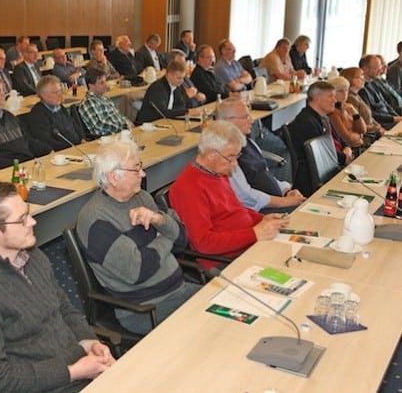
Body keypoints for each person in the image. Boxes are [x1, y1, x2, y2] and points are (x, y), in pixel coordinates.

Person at [0, 181, 115, 392]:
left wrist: (90, 342)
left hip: (81, 368)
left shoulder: (32, 256)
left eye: (28, 213)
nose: (32, 222)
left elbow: (64, 308)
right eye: (21, 219)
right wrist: (72, 371)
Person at [77, 139, 199, 334]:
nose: (143, 174)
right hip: (145, 310)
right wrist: (166, 235)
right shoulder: (95, 219)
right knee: (212, 335)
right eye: (136, 169)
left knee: (233, 315)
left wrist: (159, 220)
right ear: (114, 177)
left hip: (179, 290)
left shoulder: (142, 197)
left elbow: (182, 240)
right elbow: (139, 269)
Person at [169, 121, 289, 269]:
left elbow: (236, 210)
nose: (234, 164)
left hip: (246, 245)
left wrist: (261, 219)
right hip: (224, 261)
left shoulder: (217, 172)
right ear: (211, 154)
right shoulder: (188, 188)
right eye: (230, 157)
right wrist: (254, 233)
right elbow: (203, 243)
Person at [216, 98, 305, 212]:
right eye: (246, 117)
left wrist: (286, 191)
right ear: (228, 121)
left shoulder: (247, 142)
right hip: (257, 211)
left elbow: (265, 173)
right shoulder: (224, 153)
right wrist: (283, 202)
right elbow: (245, 197)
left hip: (272, 201)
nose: (252, 121)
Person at [288, 81, 351, 196]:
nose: (335, 100)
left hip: (332, 167)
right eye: (330, 96)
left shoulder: (324, 118)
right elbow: (323, 154)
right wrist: (345, 156)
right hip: (314, 176)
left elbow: (340, 140)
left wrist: (347, 148)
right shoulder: (305, 123)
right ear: (317, 98)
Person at [23, 75, 84, 151]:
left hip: (78, 147)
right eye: (56, 92)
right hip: (62, 152)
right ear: (44, 95)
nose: (60, 95)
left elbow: (73, 124)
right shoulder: (38, 114)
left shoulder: (60, 107)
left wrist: (82, 139)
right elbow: (46, 140)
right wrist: (70, 146)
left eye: (60, 91)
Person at [78, 69, 131, 137]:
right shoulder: (88, 103)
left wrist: (126, 121)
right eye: (101, 83)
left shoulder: (104, 98)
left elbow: (117, 115)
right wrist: (124, 125)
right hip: (108, 138)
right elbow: (99, 125)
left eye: (105, 81)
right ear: (91, 86)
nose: (106, 85)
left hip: (121, 133)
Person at [358, 54, 402, 130]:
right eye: (377, 68)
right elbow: (370, 114)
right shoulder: (361, 90)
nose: (380, 70)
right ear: (365, 69)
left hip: (391, 122)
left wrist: (397, 117)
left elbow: (385, 103)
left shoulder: (374, 82)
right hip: (382, 125)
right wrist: (393, 119)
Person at [340, 67, 385, 136]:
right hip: (366, 136)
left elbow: (370, 118)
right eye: (359, 77)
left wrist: (378, 126)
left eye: (362, 76)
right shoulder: (350, 98)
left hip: (373, 132)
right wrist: (376, 128)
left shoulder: (356, 95)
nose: (363, 79)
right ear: (349, 79)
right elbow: (355, 124)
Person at [327, 77, 366, 150]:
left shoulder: (348, 107)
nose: (345, 93)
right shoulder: (332, 113)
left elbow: (363, 130)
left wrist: (355, 113)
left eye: (346, 90)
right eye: (340, 91)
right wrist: (359, 136)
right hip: (348, 151)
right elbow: (347, 138)